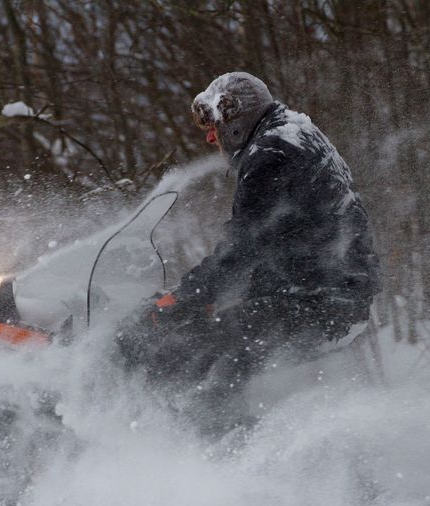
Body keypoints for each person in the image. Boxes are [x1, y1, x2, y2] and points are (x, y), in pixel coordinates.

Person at [119, 72, 380, 434]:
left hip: (314, 300)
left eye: (214, 126)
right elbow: (279, 238)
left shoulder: (271, 153)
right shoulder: (296, 133)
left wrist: (184, 298)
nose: (210, 137)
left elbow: (243, 245)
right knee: (211, 345)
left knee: (191, 359)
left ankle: (224, 460)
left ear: (236, 121)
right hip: (331, 292)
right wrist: (206, 294)